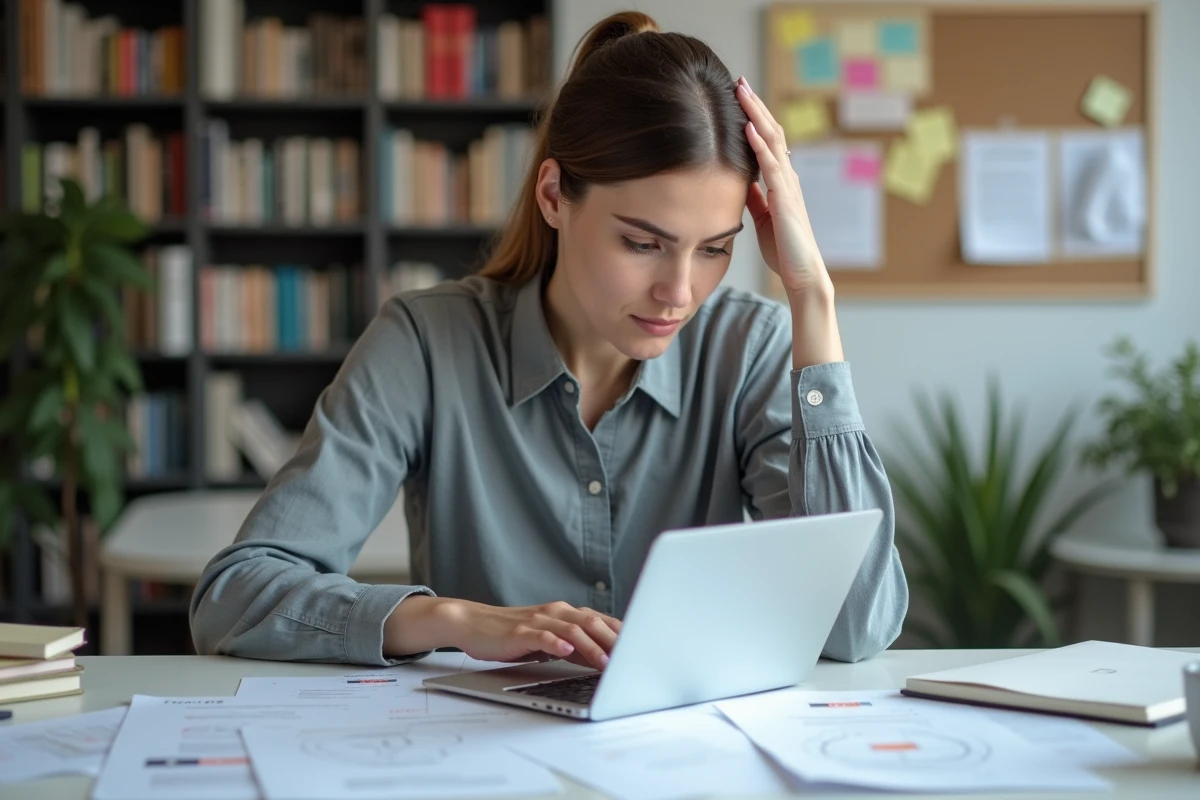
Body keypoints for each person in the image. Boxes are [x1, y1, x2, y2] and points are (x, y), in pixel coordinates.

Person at [190, 11, 908, 669]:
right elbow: (235, 596)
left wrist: (814, 296)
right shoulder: (426, 342)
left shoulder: (749, 349)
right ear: (553, 196)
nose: (679, 292)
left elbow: (857, 626)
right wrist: (453, 620)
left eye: (715, 248)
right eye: (642, 242)